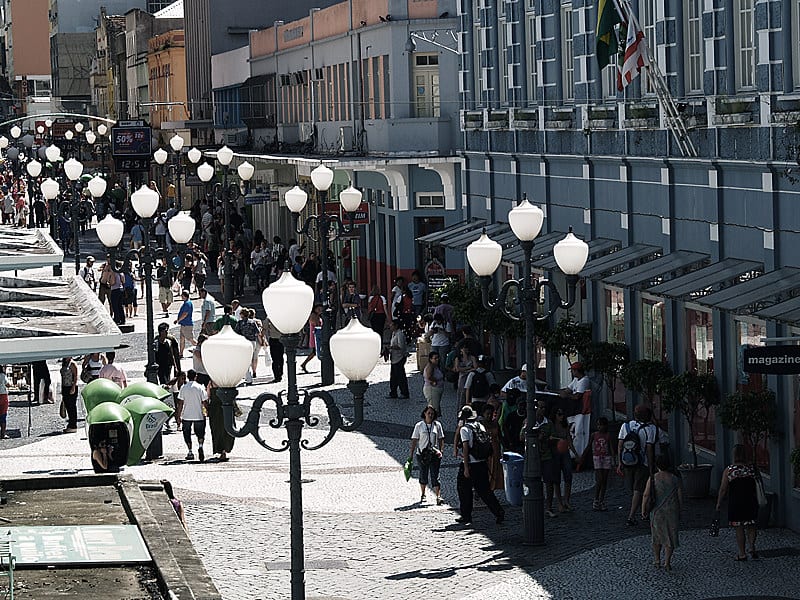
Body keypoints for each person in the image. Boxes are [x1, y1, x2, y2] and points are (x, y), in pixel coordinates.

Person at [455, 405, 505, 525]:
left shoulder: (465, 429)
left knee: (464, 490)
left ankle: (466, 516)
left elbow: (466, 449)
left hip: (471, 464)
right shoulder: (480, 426)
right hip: (482, 464)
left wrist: (466, 468)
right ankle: (498, 511)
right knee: (485, 491)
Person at [715, 444, 760, 561]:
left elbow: (723, 488)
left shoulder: (729, 470)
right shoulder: (752, 469)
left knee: (739, 528)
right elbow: (758, 485)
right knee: (751, 525)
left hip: (736, 502)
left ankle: (742, 553)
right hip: (751, 501)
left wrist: (719, 502)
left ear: (734, 455)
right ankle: (752, 547)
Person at [617, 404, 658, 526]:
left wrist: (620, 462)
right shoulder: (651, 429)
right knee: (638, 489)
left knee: (633, 488)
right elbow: (650, 449)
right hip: (642, 462)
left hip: (628, 461)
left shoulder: (626, 426)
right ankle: (632, 515)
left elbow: (620, 445)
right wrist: (651, 466)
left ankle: (638, 510)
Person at [643, 454, 682, 570]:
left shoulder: (653, 478)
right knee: (670, 536)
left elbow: (646, 495)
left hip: (657, 511)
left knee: (657, 536)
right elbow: (680, 497)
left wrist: (643, 509)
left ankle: (657, 560)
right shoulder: (675, 479)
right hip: (671, 511)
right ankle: (667, 562)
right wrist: (680, 510)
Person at [409, 405, 445, 505]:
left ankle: (438, 496)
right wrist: (411, 454)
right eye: (428, 413)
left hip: (434, 454)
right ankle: (423, 494)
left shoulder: (437, 425)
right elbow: (414, 440)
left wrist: (441, 450)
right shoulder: (419, 426)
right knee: (423, 474)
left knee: (435, 475)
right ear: (424, 413)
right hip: (422, 454)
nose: (430, 415)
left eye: (432, 413)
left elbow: (441, 438)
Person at [560, 361, 592, 458]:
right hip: (573, 411)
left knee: (578, 432)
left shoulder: (584, 381)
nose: (572, 373)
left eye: (573, 371)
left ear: (577, 371)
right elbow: (567, 390)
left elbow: (577, 396)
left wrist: (567, 395)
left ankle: (579, 455)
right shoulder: (576, 380)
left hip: (581, 411)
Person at [176, 369, 208, 462]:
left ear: (187, 376)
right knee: (200, 433)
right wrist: (207, 411)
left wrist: (178, 415)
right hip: (199, 414)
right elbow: (204, 401)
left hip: (187, 415)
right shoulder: (200, 387)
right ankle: (201, 446)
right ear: (196, 376)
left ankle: (190, 451)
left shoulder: (183, 388)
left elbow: (180, 403)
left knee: (187, 433)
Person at [580, 416, 612, 511]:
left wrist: (614, 460)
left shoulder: (608, 435)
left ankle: (601, 500)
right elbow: (589, 446)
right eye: (598, 425)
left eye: (601, 425)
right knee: (600, 479)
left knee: (605, 480)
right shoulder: (594, 435)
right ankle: (596, 499)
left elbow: (611, 448)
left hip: (606, 457)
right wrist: (583, 456)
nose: (599, 427)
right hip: (597, 458)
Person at [549, 407, 577, 511]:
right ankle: (560, 503)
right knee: (556, 479)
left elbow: (569, 439)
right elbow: (550, 438)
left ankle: (566, 501)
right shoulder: (552, 425)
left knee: (568, 476)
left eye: (562, 414)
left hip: (565, 452)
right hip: (555, 453)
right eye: (559, 414)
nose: (562, 416)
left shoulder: (565, 425)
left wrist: (575, 453)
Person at [206, 381, 234, 462]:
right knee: (227, 429)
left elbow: (208, 396)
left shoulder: (210, 383)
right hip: (226, 408)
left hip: (215, 409)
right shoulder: (225, 381)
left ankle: (221, 450)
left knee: (217, 430)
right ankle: (225, 449)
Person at [234, 308, 263, 384]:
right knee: (251, 358)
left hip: (244, 342)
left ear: (242, 315)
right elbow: (258, 332)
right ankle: (249, 375)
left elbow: (236, 332)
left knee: (245, 360)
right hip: (252, 342)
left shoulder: (240, 323)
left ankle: (248, 377)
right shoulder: (253, 322)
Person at [480, 403, 504, 491]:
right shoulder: (480, 424)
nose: (489, 416)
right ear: (483, 414)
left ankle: (492, 488)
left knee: (495, 469)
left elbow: (500, 437)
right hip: (485, 449)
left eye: (491, 414)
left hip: (495, 449)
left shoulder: (495, 423)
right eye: (487, 414)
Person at [387, 319, 409, 399]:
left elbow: (401, 346)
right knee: (393, 376)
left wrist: (391, 347)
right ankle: (393, 392)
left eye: (391, 325)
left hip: (399, 358)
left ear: (396, 326)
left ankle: (404, 392)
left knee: (400, 376)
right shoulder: (394, 334)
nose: (390, 326)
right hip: (394, 358)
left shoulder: (400, 334)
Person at [301, 304, 323, 373]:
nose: (320, 311)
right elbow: (317, 324)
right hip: (315, 335)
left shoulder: (318, 316)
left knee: (315, 352)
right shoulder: (313, 316)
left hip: (318, 335)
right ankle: (304, 364)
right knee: (315, 351)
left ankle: (304, 364)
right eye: (318, 309)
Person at [174, 290, 196, 357]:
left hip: (187, 324)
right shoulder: (186, 303)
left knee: (191, 339)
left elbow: (185, 314)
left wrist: (178, 320)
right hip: (183, 324)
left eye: (182, 296)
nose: (181, 297)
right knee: (182, 340)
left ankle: (200, 347)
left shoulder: (187, 303)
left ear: (184, 296)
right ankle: (181, 353)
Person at [60, 357, 79, 433]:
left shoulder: (72, 364)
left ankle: (73, 425)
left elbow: (75, 376)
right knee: (67, 406)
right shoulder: (64, 363)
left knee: (72, 406)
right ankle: (70, 424)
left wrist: (73, 387)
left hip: (71, 386)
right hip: (65, 387)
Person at [264, 317, 284, 383]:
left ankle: (277, 376)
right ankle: (280, 373)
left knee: (275, 359)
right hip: (281, 339)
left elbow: (265, 327)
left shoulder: (269, 318)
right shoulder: (281, 317)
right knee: (280, 357)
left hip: (274, 339)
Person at [0, 365, 8, 439]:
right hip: (3, 395)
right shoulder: (2, 375)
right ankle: (2, 434)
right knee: (3, 415)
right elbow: (7, 383)